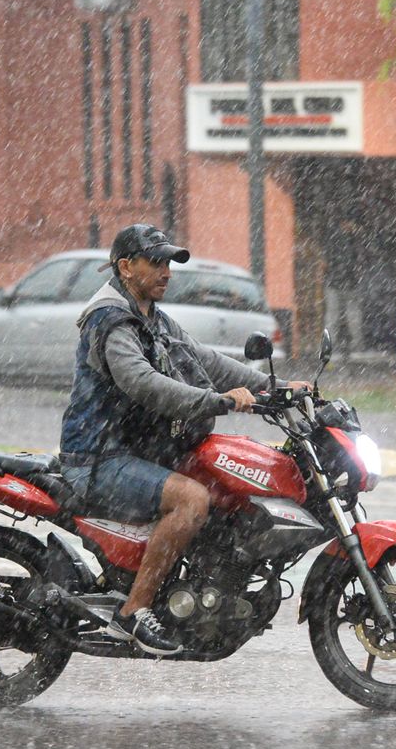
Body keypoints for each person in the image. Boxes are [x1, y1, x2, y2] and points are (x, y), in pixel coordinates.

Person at [59, 223, 309, 656]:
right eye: (155, 262)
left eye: (168, 262)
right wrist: (217, 402)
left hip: (140, 449)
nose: (166, 271)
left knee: (218, 484)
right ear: (126, 266)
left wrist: (280, 388)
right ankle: (132, 614)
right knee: (191, 499)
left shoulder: (151, 316)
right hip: (99, 456)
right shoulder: (111, 319)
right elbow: (143, 383)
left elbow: (206, 360)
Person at [324, 218, 366, 357]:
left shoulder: (333, 239)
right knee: (351, 315)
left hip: (336, 283)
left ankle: (331, 345)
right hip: (348, 284)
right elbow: (356, 261)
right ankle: (355, 345)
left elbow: (329, 261)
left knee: (333, 316)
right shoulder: (354, 240)